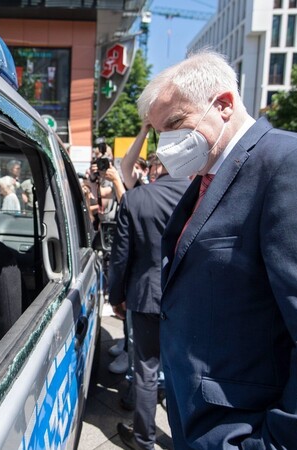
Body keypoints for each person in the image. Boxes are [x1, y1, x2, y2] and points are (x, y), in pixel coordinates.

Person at [140, 51, 297, 449]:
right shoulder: (207, 181)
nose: (165, 143)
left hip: (248, 428)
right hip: (202, 422)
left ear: (224, 105)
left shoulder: (295, 166)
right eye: (157, 132)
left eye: (175, 124)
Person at [108, 159, 190, 450]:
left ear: (157, 167)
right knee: (187, 372)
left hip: (145, 296)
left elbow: (120, 256)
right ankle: (186, 440)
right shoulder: (201, 194)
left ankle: (144, 440)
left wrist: (115, 296)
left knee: (146, 371)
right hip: (188, 299)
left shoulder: (136, 198)